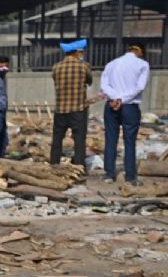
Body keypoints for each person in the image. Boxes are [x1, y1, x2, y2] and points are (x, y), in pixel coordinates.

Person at [101, 44, 149, 184]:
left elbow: (104, 85)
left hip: (111, 105)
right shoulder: (142, 64)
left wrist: (115, 98)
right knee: (129, 141)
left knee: (110, 139)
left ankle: (109, 174)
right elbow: (140, 87)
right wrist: (122, 99)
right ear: (139, 51)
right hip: (130, 106)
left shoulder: (112, 64)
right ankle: (130, 176)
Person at [50, 39, 92, 168]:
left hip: (61, 109)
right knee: (79, 140)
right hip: (78, 109)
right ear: (77, 53)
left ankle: (54, 164)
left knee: (57, 139)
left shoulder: (56, 67)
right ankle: (79, 166)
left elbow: (55, 79)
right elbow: (89, 81)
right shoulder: (84, 66)